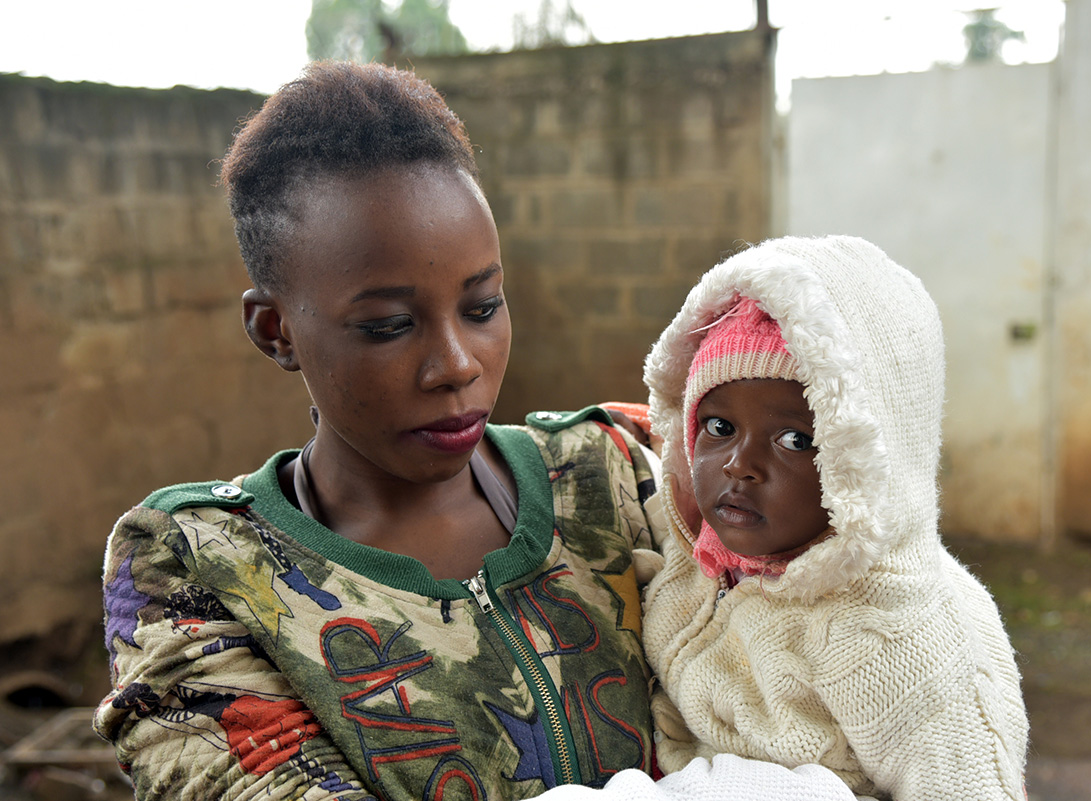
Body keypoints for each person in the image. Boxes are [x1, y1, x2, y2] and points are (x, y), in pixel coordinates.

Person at [92, 61, 663, 801]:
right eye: (389, 325)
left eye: (483, 306)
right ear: (276, 331)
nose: (457, 365)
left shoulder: (615, 470)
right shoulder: (201, 569)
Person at [640, 236, 1030, 801]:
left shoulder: (902, 644)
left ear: (865, 461)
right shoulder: (693, 551)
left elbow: (971, 784)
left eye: (796, 439)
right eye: (718, 427)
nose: (739, 465)